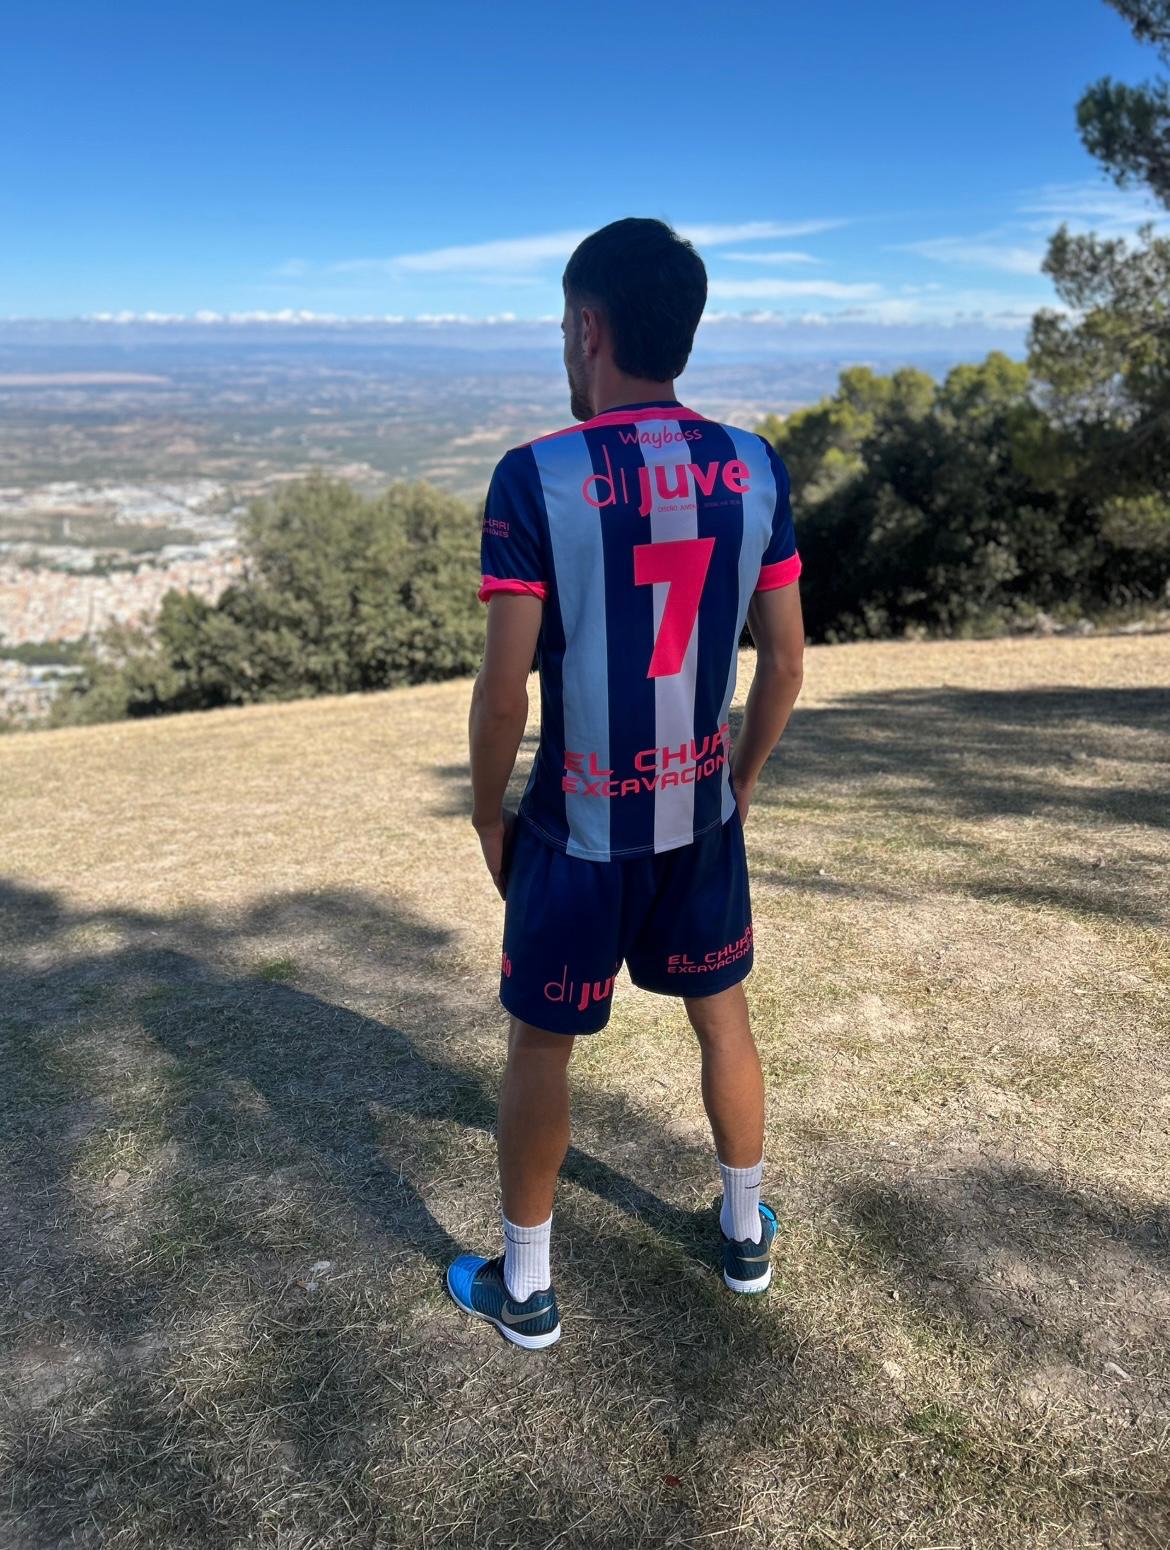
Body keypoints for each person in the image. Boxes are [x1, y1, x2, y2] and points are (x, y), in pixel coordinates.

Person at [447, 217, 805, 1350]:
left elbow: (504, 692)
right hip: (699, 815)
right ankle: (744, 1237)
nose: (565, 345)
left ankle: (528, 1288)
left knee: (539, 1048)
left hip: (577, 825)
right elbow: (785, 662)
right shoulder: (755, 466)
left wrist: (486, 812)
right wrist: (737, 779)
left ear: (589, 328)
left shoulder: (535, 476)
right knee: (724, 1022)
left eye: (564, 325)